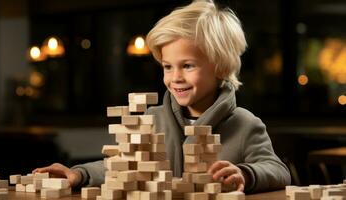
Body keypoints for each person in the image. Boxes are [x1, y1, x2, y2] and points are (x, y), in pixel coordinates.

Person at [33, 0, 291, 193]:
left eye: (187, 66)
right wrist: (78, 175)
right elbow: (123, 165)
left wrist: (245, 174)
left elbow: (278, 171)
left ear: (221, 68)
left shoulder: (245, 124)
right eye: (168, 66)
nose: (175, 77)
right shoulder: (152, 118)